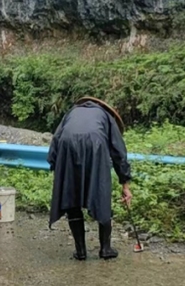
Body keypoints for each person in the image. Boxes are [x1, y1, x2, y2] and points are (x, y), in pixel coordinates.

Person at [48, 97, 132, 261]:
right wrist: (125, 184)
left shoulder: (71, 113)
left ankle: (80, 252)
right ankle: (105, 249)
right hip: (95, 145)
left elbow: (56, 139)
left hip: (67, 147)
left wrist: (56, 167)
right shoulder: (106, 116)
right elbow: (119, 152)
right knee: (101, 195)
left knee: (71, 198)